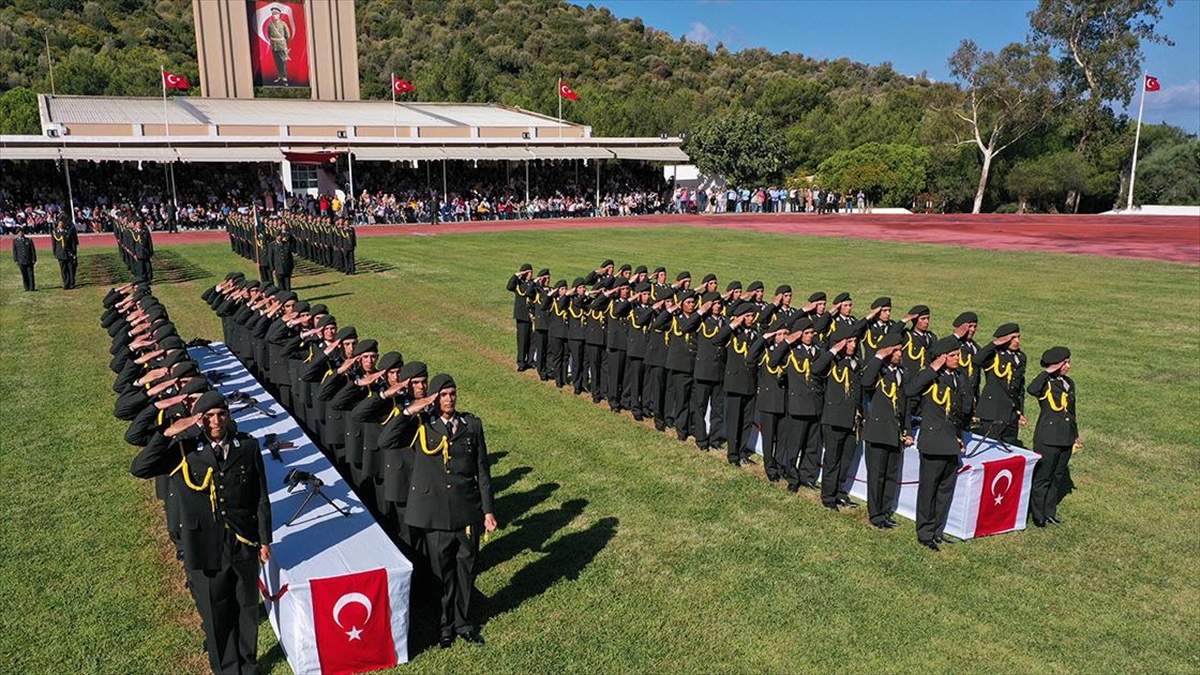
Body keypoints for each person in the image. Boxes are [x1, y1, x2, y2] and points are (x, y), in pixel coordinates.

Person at [130, 391, 272, 674]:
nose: (215, 421)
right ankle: (228, 669)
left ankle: (248, 665)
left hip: (242, 541)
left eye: (221, 414)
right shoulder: (184, 450)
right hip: (206, 545)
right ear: (198, 420)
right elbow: (140, 468)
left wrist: (265, 539)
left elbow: (260, 497)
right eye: (207, 417)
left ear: (229, 416)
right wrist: (169, 433)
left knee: (245, 608)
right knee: (216, 611)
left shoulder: (248, 446)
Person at [400, 374, 496, 647]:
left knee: (466, 569)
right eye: (443, 395)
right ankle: (444, 626)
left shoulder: (471, 425)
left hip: (467, 512)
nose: (449, 399)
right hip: (438, 515)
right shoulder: (423, 426)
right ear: (433, 398)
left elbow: (482, 470)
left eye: (452, 393)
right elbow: (388, 438)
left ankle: (463, 622)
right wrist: (412, 409)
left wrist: (488, 510)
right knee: (442, 574)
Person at [907, 336, 973, 551]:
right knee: (929, 489)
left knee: (945, 489)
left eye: (957, 354)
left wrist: (959, 438)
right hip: (933, 441)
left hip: (950, 441)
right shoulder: (931, 377)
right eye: (953, 355)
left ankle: (937, 529)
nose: (958, 359)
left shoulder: (958, 377)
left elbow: (959, 412)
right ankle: (924, 532)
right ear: (942, 357)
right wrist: (932, 369)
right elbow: (911, 391)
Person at [861, 333, 911, 528]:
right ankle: (876, 515)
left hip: (895, 432)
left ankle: (886, 510)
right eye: (896, 351)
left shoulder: (903, 373)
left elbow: (905, 405)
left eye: (900, 350)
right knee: (877, 475)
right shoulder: (877, 372)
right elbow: (866, 382)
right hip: (878, 431)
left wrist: (906, 429)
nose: (899, 354)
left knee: (891, 474)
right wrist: (879, 356)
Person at [1027, 347, 1080, 527]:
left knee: (1057, 476)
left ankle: (1050, 512)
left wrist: (1075, 435)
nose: (1068, 366)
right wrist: (1047, 371)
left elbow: (1072, 412)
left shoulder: (1069, 383)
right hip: (1048, 437)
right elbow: (1032, 389)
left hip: (1065, 436)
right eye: (1065, 363)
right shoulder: (1045, 383)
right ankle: (1038, 514)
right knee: (1044, 476)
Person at [975, 323, 1028, 446]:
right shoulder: (993, 355)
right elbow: (977, 360)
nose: (1017, 341)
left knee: (1010, 446)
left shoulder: (1021, 357)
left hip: (1011, 413)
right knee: (990, 448)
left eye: (1018, 337)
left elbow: (1019, 387)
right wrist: (994, 344)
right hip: (993, 412)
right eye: (1013, 338)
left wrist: (1020, 411)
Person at [506, 265, 534, 371]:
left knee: (532, 339)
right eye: (528, 272)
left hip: (531, 316)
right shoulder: (519, 283)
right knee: (522, 340)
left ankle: (530, 361)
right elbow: (509, 287)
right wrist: (516, 275)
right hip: (522, 315)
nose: (530, 274)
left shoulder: (532, 284)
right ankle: (521, 362)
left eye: (531, 272)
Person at [266, 7, 292, 85]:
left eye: (276, 14)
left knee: (283, 61)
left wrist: (284, 43)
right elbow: (269, 34)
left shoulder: (283, 24)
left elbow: (288, 35)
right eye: (273, 14)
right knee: (277, 61)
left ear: (279, 15)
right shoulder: (270, 24)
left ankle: (284, 77)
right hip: (274, 45)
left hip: (281, 44)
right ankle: (280, 76)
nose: (274, 16)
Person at [51, 218, 79, 289]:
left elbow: (72, 242)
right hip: (60, 253)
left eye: (62, 223)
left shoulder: (68, 232)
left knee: (70, 269)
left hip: (69, 253)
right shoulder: (55, 232)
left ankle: (72, 283)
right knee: (63, 269)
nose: (61, 225)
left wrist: (74, 252)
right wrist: (55, 253)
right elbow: (54, 244)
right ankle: (66, 283)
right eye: (59, 223)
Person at [11, 227, 37, 291]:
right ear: (17, 233)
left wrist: (34, 259)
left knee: (30, 274)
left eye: (21, 232)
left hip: (29, 259)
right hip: (21, 260)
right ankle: (26, 287)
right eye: (19, 232)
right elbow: (15, 251)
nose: (20, 233)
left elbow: (32, 250)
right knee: (24, 274)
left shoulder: (28, 240)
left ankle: (32, 287)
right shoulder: (15, 241)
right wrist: (16, 260)